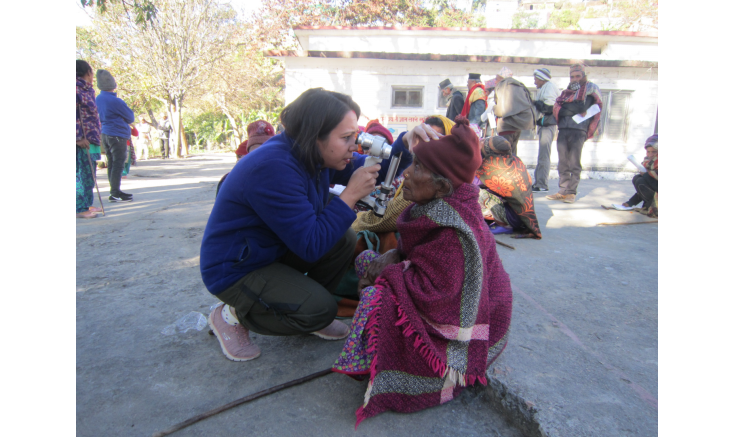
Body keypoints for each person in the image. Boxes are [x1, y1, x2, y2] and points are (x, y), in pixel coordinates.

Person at [200, 88, 440, 362]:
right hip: (237, 267)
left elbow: (376, 172)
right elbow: (311, 246)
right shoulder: (273, 168)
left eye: (356, 136)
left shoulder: (314, 153)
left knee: (344, 239)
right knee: (320, 310)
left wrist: (405, 144)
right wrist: (350, 195)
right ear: (316, 135)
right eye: (346, 138)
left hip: (272, 249)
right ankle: (232, 314)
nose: (355, 145)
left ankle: (301, 304)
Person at [332, 116, 512, 425]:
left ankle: (377, 368)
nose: (406, 173)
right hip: (438, 294)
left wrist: (388, 271)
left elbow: (438, 296)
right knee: (367, 259)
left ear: (441, 186)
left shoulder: (455, 231)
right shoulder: (433, 207)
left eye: (416, 169)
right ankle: (376, 352)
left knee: (376, 297)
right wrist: (393, 258)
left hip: (460, 327)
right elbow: (415, 255)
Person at [546, 64, 604, 204]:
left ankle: (571, 192)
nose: (575, 79)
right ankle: (563, 190)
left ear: (584, 76)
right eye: (572, 76)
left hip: (579, 130)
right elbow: (559, 109)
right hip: (563, 129)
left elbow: (582, 107)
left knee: (574, 162)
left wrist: (566, 108)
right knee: (562, 162)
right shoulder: (566, 92)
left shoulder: (590, 89)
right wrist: (570, 109)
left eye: (578, 76)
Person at [476, 136, 542, 239]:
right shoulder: (513, 160)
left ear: (488, 151)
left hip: (511, 218)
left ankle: (504, 224)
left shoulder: (494, 170)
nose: (480, 142)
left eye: (483, 143)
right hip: (519, 215)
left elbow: (471, 181)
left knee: (472, 191)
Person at [96, 69, 135, 202]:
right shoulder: (116, 101)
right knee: (118, 163)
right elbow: (130, 117)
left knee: (112, 163)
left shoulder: (98, 98)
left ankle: (115, 191)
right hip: (117, 134)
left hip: (105, 133)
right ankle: (114, 192)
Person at [217, 120, 277, 196]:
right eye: (256, 152)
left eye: (268, 151)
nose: (263, 157)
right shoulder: (237, 179)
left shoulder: (274, 175)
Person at [76, 60, 103, 218]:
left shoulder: (87, 90)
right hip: (81, 140)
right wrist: (77, 138)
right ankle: (79, 208)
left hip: (90, 137)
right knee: (81, 175)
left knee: (90, 174)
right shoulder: (76, 89)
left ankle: (86, 203)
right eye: (92, 73)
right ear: (87, 72)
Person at [492, 67, 536, 156]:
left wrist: (494, 109)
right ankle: (514, 169)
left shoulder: (503, 85)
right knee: (513, 154)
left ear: (502, 77)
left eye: (496, 79)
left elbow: (501, 110)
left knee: (505, 156)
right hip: (517, 126)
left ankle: (508, 169)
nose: (495, 81)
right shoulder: (518, 85)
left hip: (506, 127)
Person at [531, 68, 560, 192]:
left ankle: (542, 184)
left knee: (544, 155)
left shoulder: (549, 87)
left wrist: (535, 103)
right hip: (544, 125)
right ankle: (539, 182)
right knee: (542, 155)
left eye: (536, 79)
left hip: (548, 125)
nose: (535, 82)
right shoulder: (545, 88)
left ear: (542, 78)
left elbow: (549, 108)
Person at [621, 135, 658, 216]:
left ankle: (653, 208)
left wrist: (646, 175)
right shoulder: (648, 163)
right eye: (648, 152)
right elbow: (646, 187)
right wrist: (631, 202)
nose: (650, 155)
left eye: (654, 152)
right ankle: (649, 206)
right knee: (638, 178)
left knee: (641, 179)